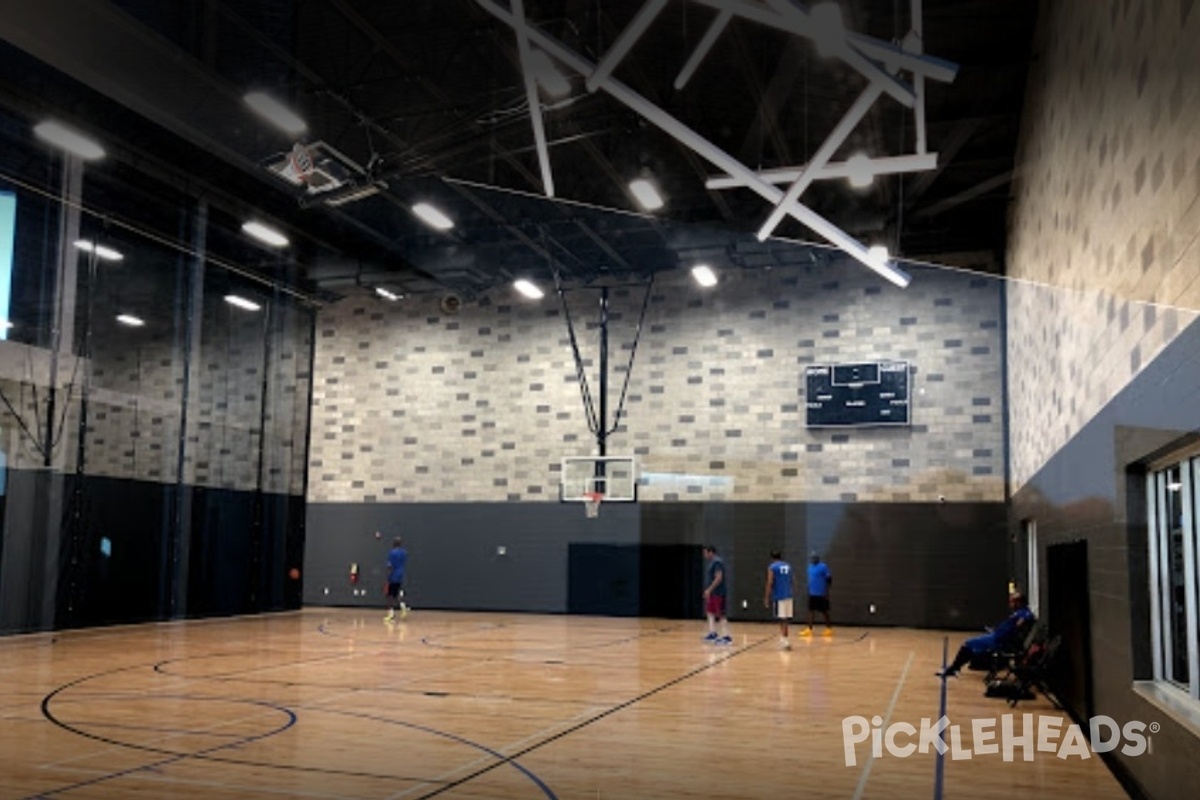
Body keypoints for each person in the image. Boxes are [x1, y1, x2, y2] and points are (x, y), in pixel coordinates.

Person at [936, 593, 1035, 677]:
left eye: (1012, 602)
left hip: (998, 640)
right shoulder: (1018, 612)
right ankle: (956, 667)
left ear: (1019, 602)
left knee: (967, 644)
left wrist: (1019, 624)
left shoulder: (1024, 613)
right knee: (970, 645)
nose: (1010, 604)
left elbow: (1025, 620)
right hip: (997, 635)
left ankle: (954, 668)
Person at [763, 551, 795, 649]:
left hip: (779, 596)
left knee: (781, 619)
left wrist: (766, 596)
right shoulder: (788, 566)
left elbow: (770, 581)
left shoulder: (772, 567)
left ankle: (785, 641)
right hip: (788, 595)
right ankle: (784, 639)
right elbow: (792, 580)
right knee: (785, 619)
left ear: (772, 558)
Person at [702, 545, 732, 645]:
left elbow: (718, 578)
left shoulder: (717, 562)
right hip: (713, 593)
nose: (704, 555)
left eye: (705, 553)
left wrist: (709, 590)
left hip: (718, 592)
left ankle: (726, 637)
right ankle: (712, 633)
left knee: (720, 614)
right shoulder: (712, 563)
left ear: (711, 552)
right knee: (710, 611)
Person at [804, 552, 833, 636]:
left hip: (821, 593)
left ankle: (828, 628)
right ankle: (809, 629)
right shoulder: (809, 567)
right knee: (811, 610)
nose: (813, 560)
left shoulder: (823, 567)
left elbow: (829, 579)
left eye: (814, 558)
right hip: (812, 592)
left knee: (824, 611)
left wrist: (827, 591)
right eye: (812, 558)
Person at [384, 536, 409, 622]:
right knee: (397, 594)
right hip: (400, 575)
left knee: (389, 596)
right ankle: (403, 607)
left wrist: (388, 576)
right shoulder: (404, 553)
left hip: (393, 576)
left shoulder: (392, 553)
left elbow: (390, 566)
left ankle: (391, 615)